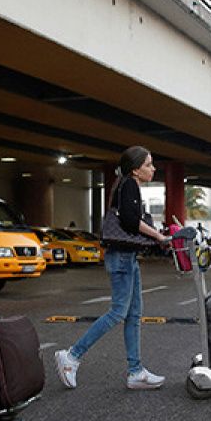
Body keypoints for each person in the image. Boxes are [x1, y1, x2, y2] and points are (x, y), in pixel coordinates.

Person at [53, 146, 169, 391]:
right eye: (149, 164)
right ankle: (72, 356)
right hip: (122, 258)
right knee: (118, 312)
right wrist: (158, 236)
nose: (153, 168)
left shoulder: (128, 184)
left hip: (128, 257)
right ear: (136, 169)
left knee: (134, 314)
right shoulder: (129, 185)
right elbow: (130, 220)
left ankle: (136, 371)